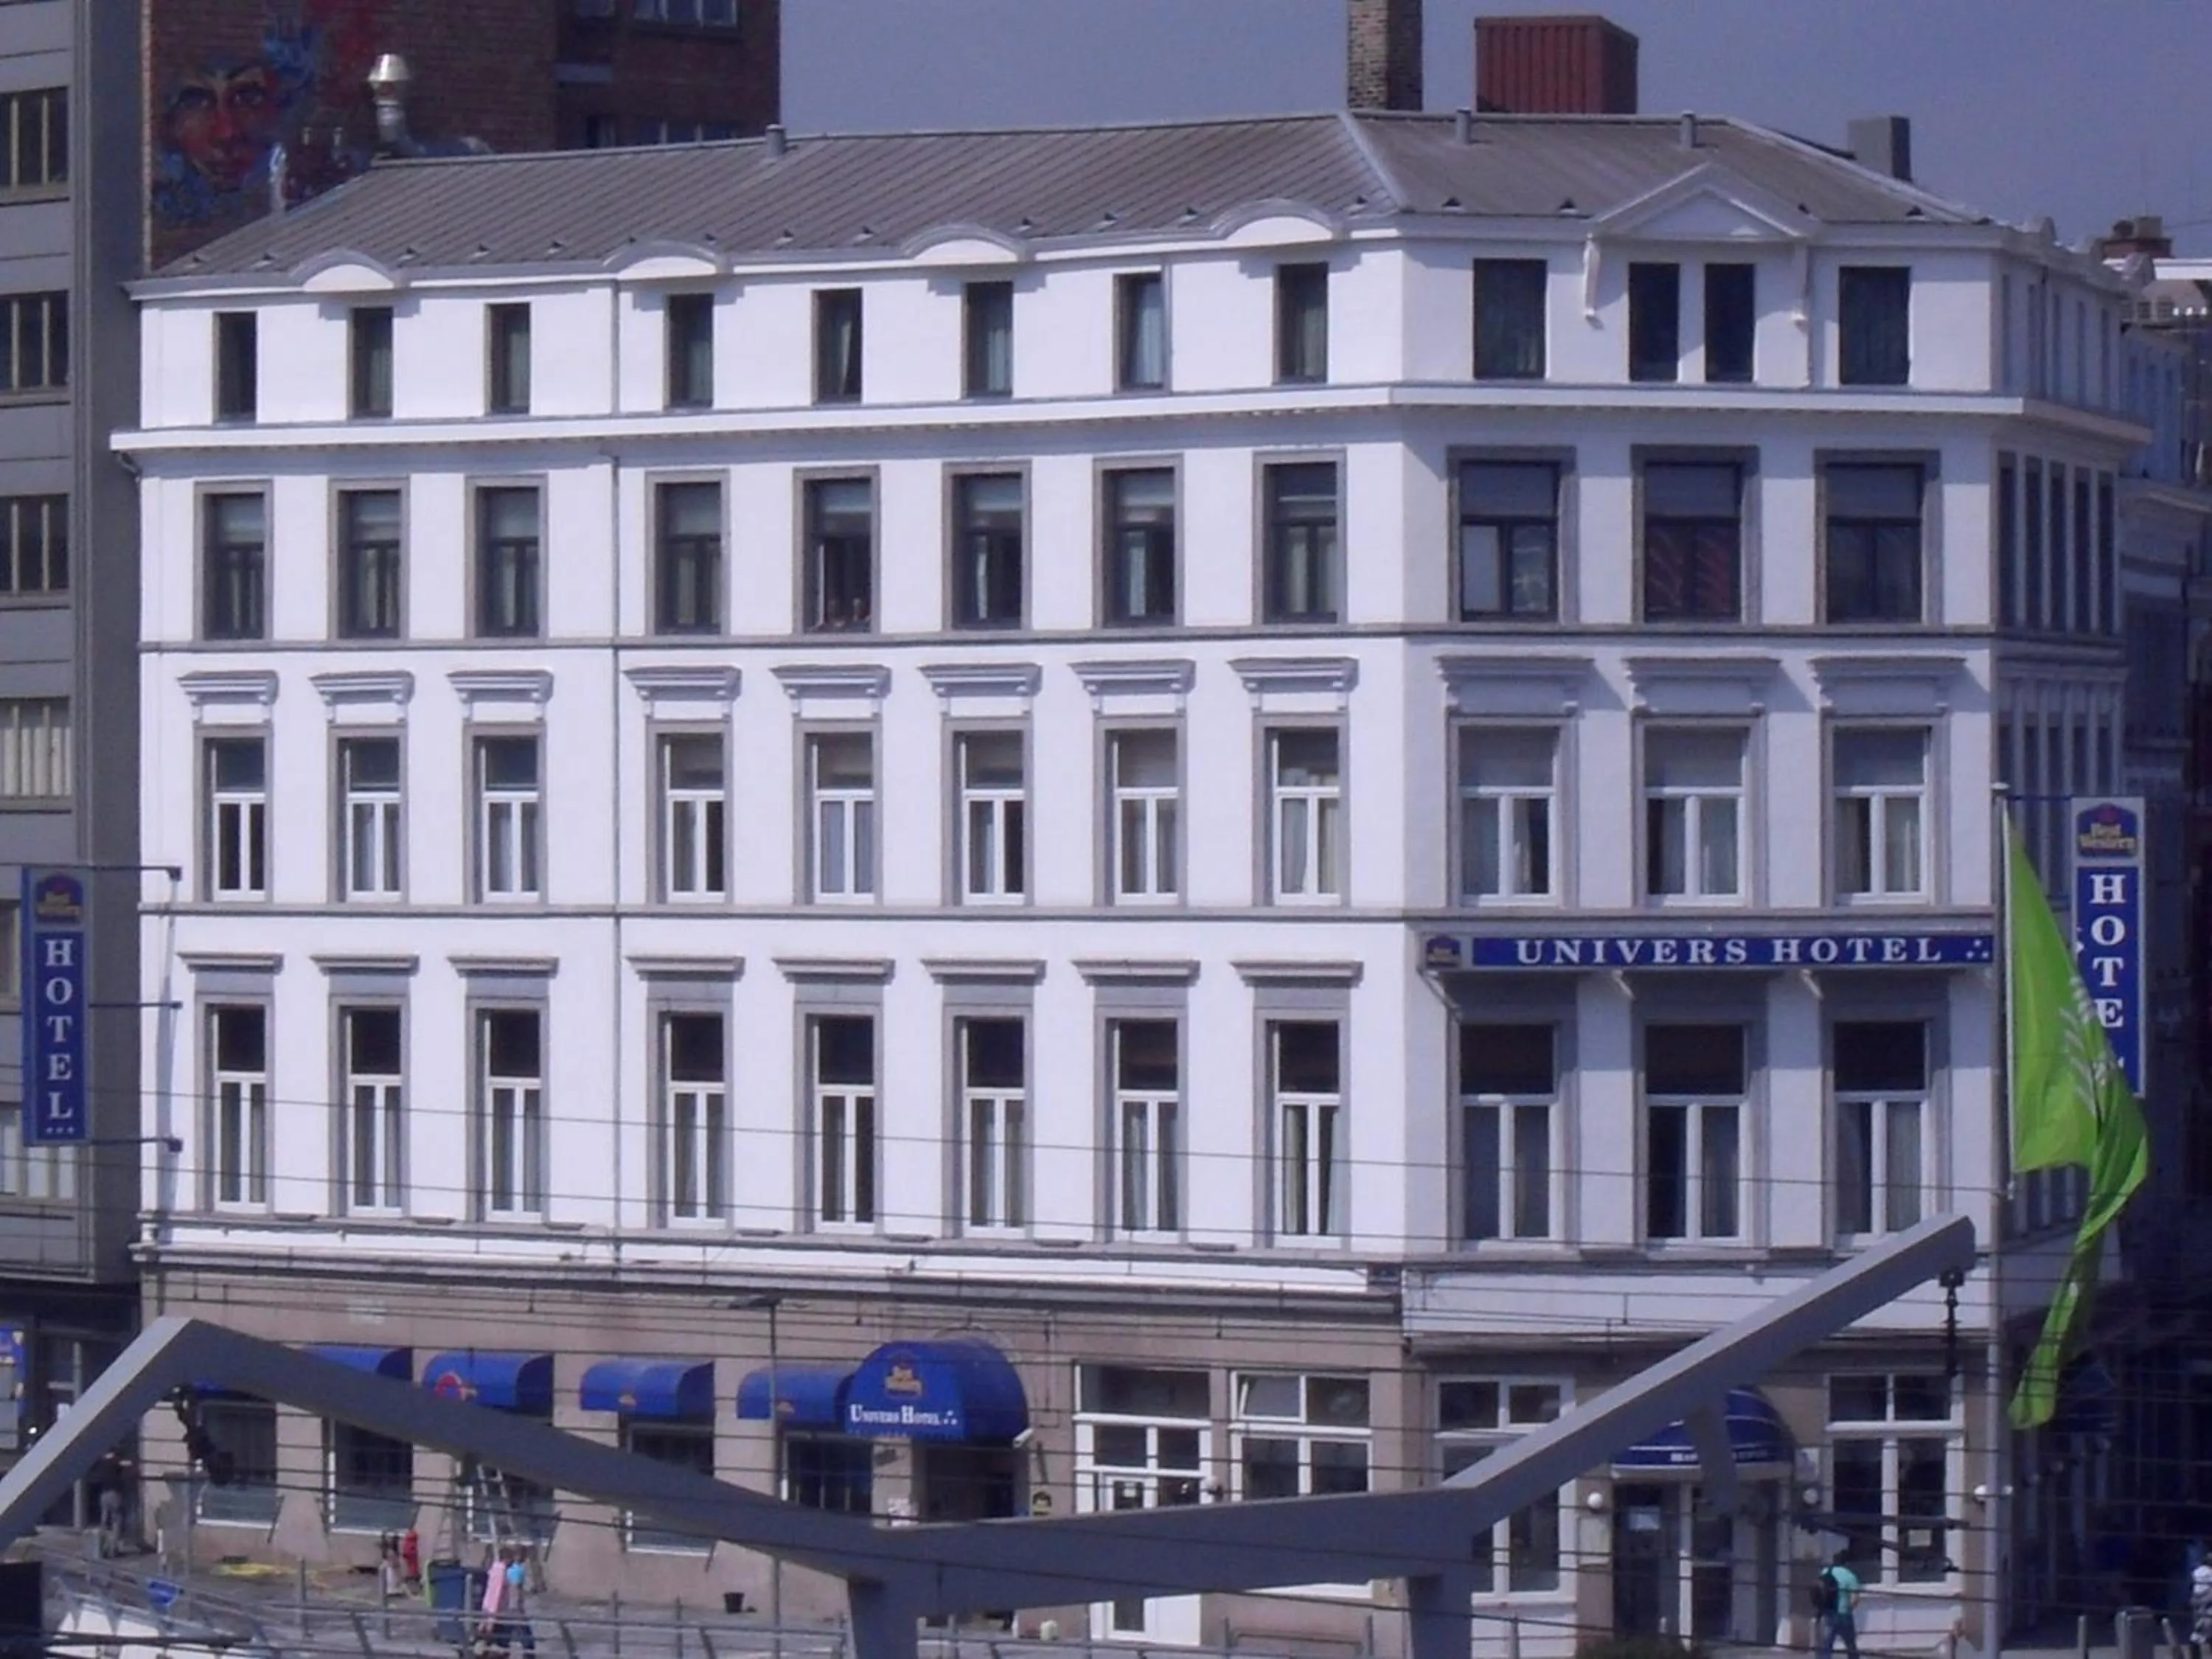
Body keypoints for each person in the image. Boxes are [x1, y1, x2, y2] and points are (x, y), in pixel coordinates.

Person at [1815, 1559, 1863, 1659]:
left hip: (1827, 1613)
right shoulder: (1850, 1576)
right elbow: (1854, 1599)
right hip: (1844, 1614)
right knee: (1851, 1645)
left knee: (1826, 1646)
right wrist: (1848, 1609)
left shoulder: (1825, 1571)